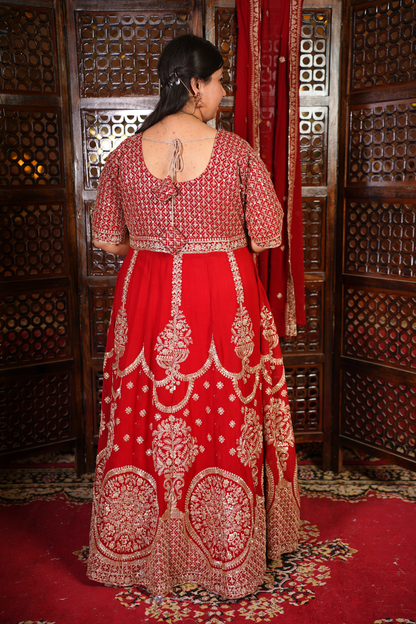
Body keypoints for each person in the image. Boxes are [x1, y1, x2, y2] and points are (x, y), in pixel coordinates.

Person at [87, 34, 300, 600]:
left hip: (147, 297)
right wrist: (212, 243)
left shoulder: (124, 155)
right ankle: (227, 553)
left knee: (147, 416)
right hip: (222, 296)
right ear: (194, 84)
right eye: (221, 81)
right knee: (222, 414)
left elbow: (106, 239)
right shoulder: (235, 153)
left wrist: (156, 246)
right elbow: (268, 234)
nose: (224, 92)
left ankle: (141, 548)